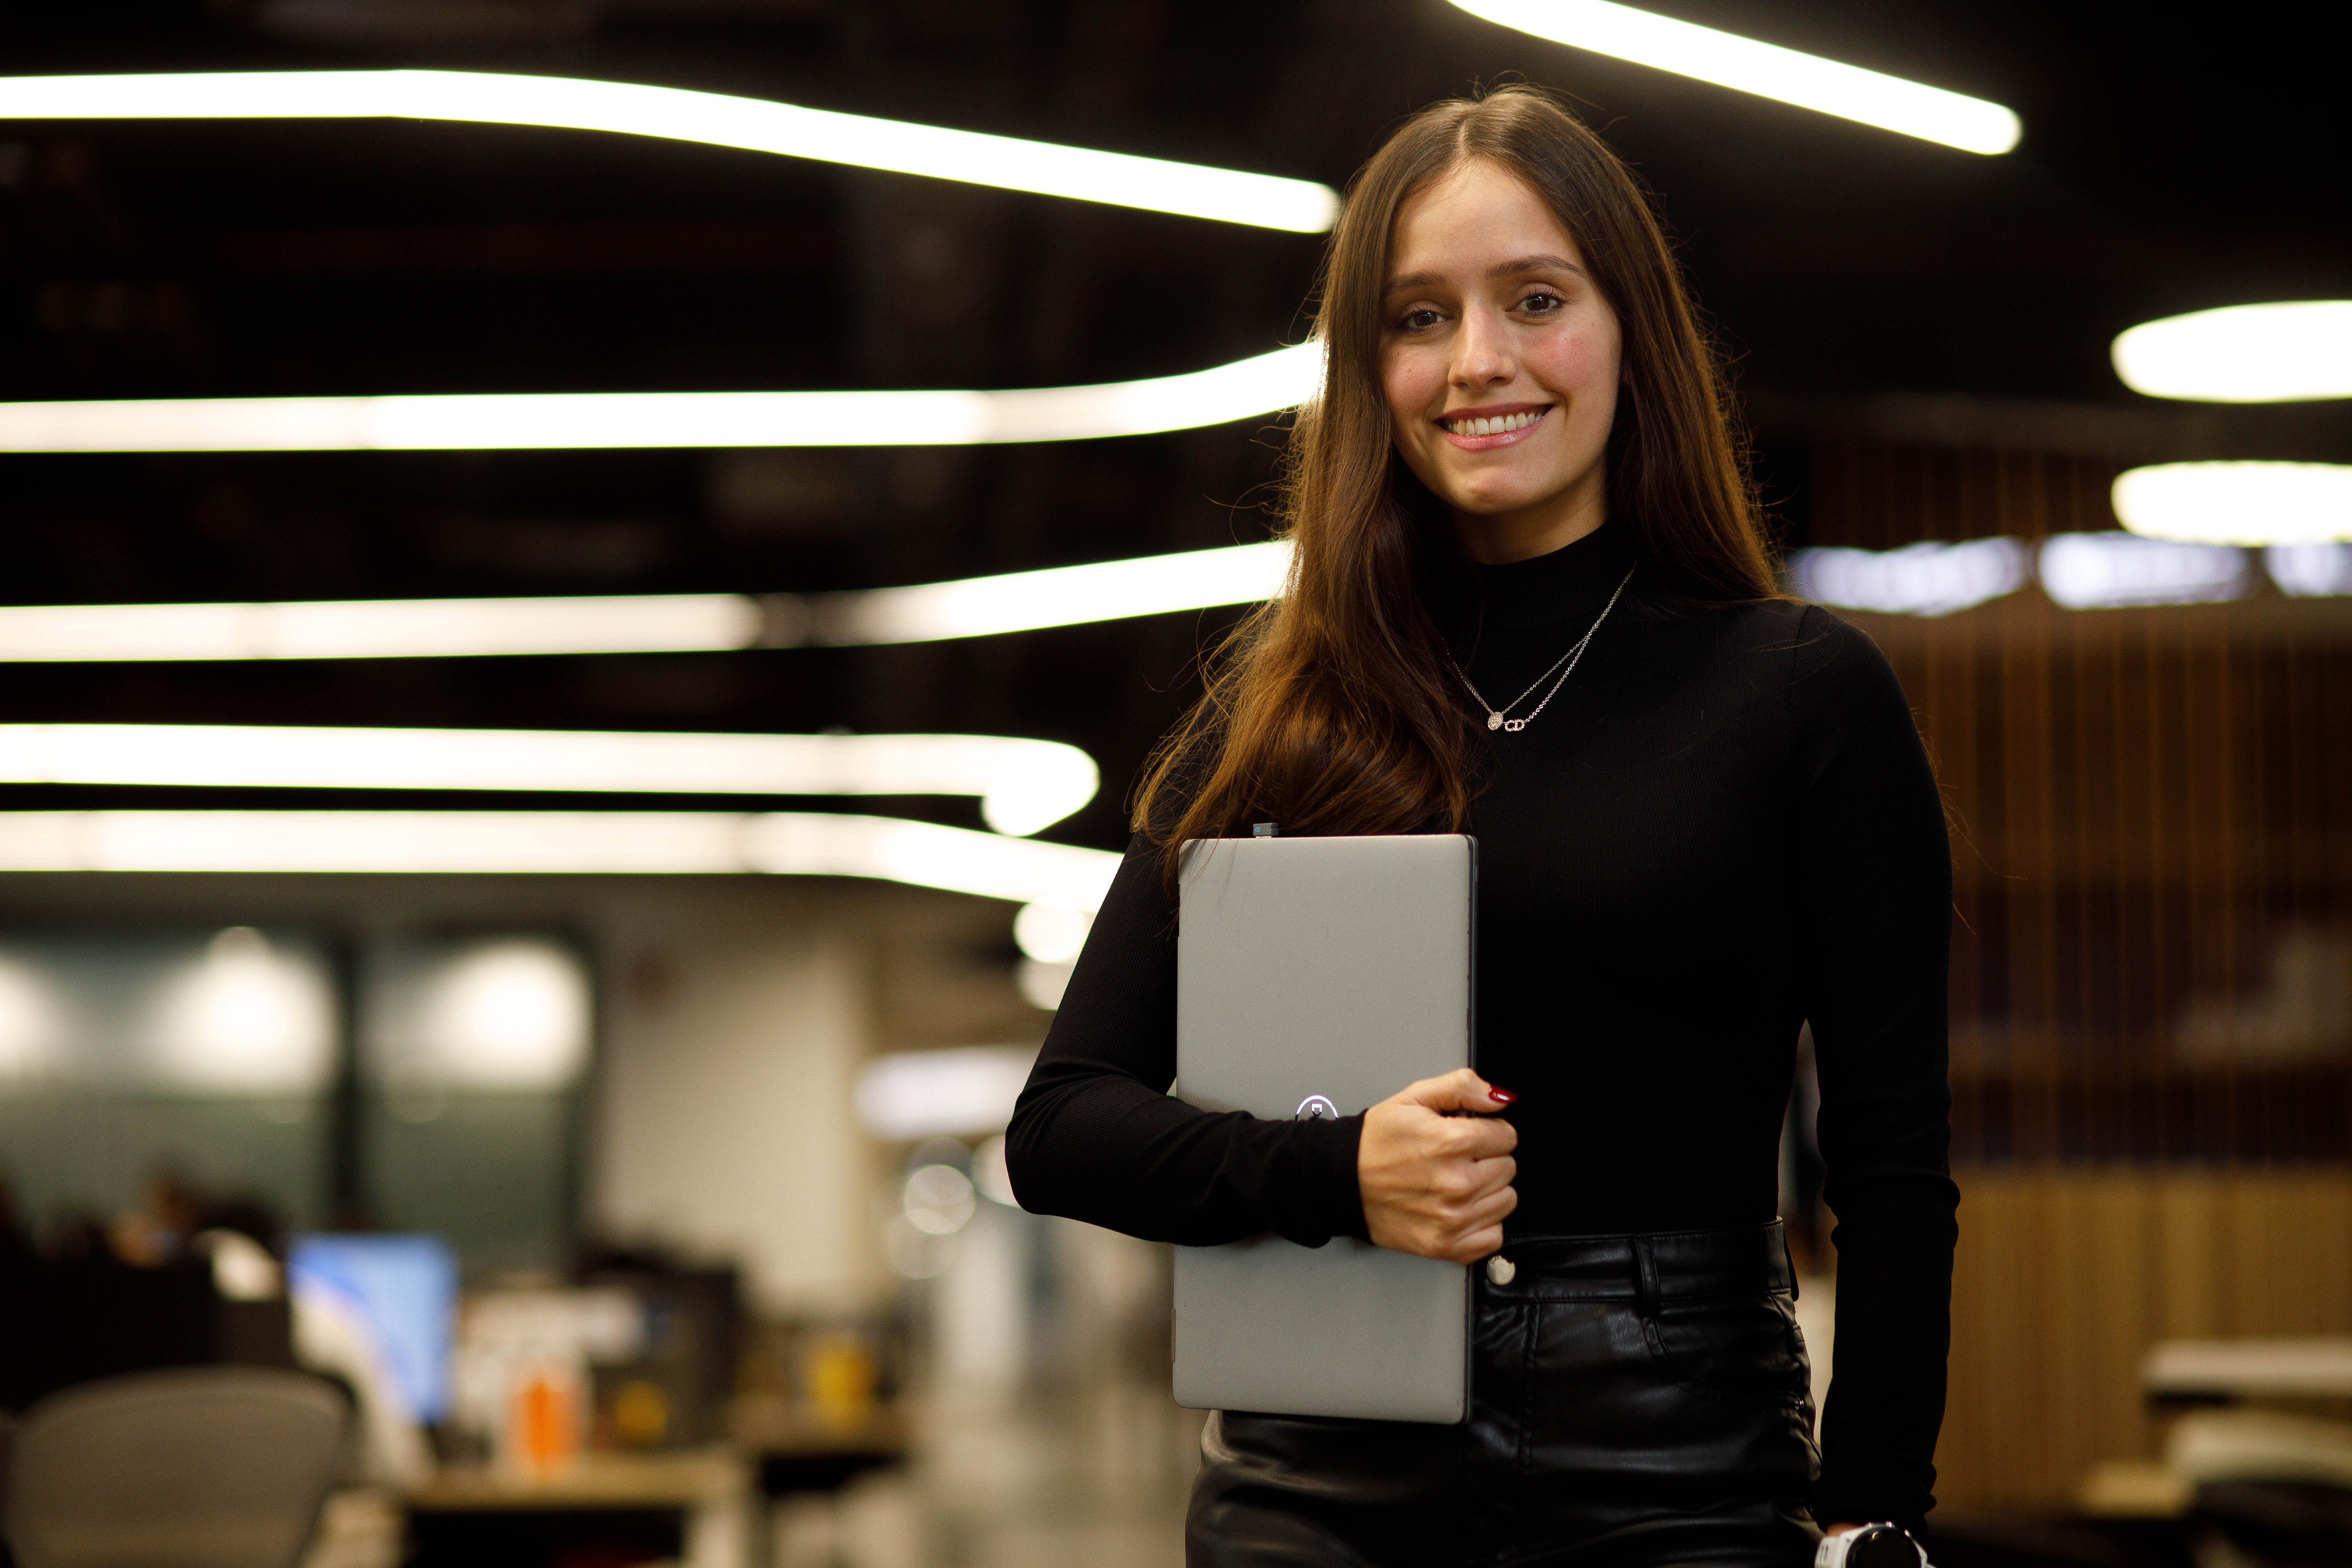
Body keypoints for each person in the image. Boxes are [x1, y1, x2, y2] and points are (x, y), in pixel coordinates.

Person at [1006, 84, 1956, 1568]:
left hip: (1677, 1461)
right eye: (1420, 317)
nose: (1478, 362)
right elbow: (1063, 1127)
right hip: (1316, 1475)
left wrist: (1874, 1513)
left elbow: (1892, 1167)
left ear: (1632, 330)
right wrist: (1337, 1173)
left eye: (1536, 300)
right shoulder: (1282, 712)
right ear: (1366, 367)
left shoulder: (1798, 692)